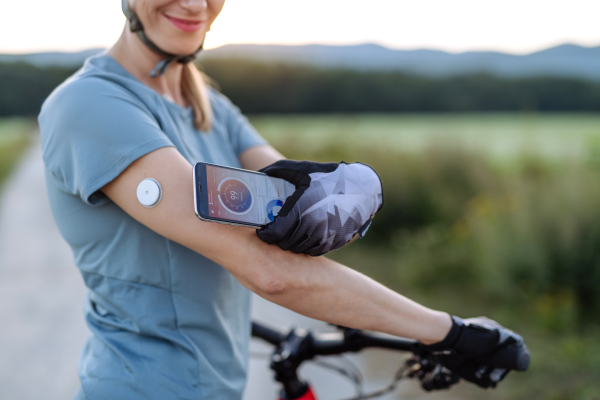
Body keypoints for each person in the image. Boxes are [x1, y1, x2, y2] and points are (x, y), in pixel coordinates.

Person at [38, 1, 529, 399]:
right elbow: (269, 270)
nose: (194, 4)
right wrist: (448, 331)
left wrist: (343, 194)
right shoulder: (90, 106)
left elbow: (290, 190)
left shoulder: (207, 104)